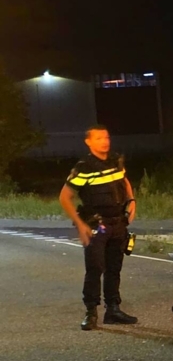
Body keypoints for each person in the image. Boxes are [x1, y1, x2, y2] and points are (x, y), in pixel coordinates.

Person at [59, 125, 138, 330]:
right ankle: (91, 312)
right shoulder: (84, 167)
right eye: (99, 138)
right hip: (97, 225)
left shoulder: (115, 161)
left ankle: (113, 310)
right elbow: (64, 197)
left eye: (106, 137)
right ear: (89, 142)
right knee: (95, 269)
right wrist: (80, 224)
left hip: (118, 223)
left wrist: (132, 202)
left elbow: (125, 182)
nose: (105, 141)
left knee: (114, 269)